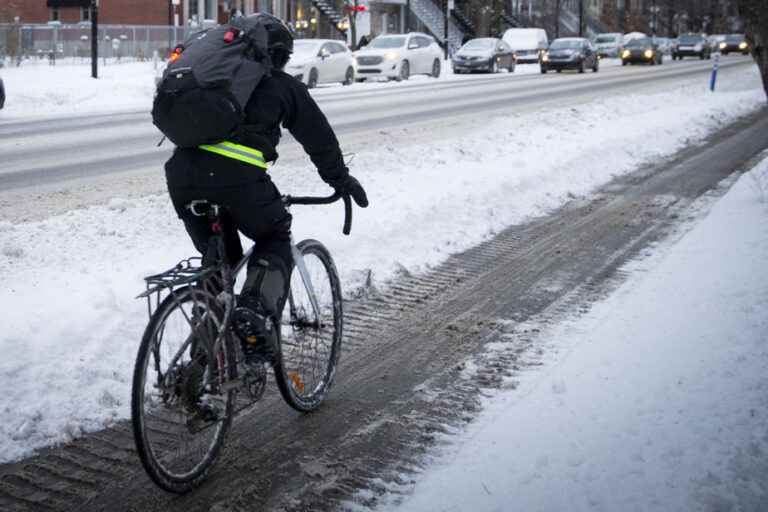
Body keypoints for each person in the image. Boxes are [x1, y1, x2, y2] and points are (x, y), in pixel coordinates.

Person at [164, 13, 368, 362]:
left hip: (182, 176)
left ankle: (202, 360)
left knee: (220, 262)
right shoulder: (280, 85)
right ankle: (253, 316)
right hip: (237, 179)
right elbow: (318, 137)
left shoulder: (210, 80)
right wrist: (340, 180)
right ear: (276, 55)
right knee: (274, 238)